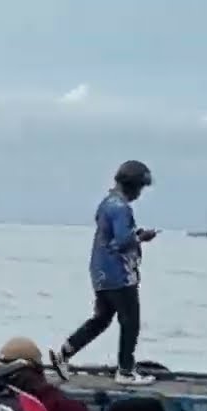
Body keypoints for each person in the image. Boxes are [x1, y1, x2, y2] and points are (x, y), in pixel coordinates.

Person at [52, 161, 159, 386]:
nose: (140, 193)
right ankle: (126, 371)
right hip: (119, 274)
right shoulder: (121, 208)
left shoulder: (106, 203)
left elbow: (111, 235)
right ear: (133, 185)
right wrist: (142, 237)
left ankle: (65, 352)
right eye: (140, 188)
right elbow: (122, 241)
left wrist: (134, 233)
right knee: (130, 321)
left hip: (100, 272)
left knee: (101, 319)